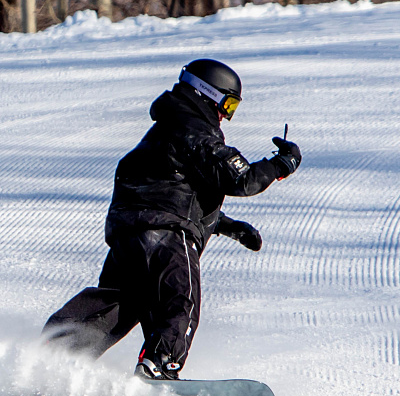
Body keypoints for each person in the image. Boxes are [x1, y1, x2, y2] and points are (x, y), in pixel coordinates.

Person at [42, 59, 301, 379]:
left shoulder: (168, 129)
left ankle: (51, 359)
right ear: (207, 94)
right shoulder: (195, 129)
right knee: (181, 300)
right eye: (228, 103)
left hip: (132, 233)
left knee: (119, 305)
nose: (226, 115)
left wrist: (225, 225)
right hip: (163, 233)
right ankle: (160, 367)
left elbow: (170, 190)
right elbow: (241, 179)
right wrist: (281, 164)